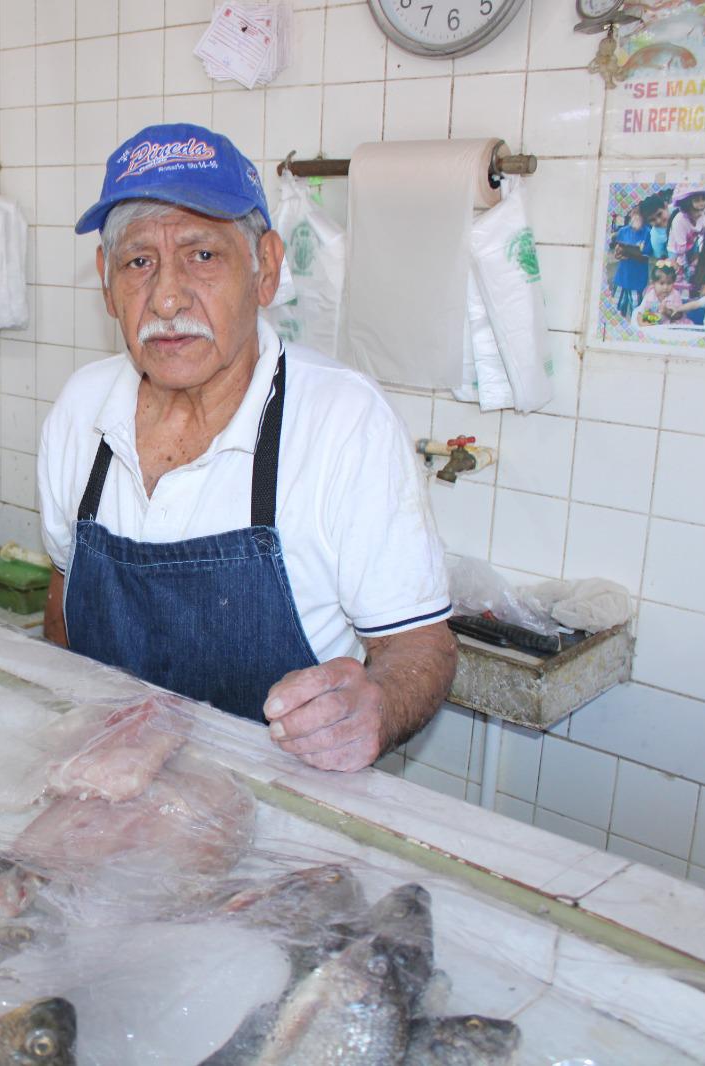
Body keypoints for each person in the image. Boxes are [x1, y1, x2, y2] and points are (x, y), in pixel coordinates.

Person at [37, 123, 457, 774]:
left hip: (284, 819)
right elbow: (65, 597)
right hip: (114, 796)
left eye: (203, 256)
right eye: (138, 261)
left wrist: (378, 702)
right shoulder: (80, 410)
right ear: (106, 280)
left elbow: (420, 647)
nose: (168, 297)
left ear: (266, 269)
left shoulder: (341, 421)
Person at [609, 207, 651, 318]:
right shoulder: (623, 231)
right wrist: (618, 253)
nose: (636, 215)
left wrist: (633, 253)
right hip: (622, 277)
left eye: (639, 213)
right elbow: (616, 250)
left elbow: (646, 255)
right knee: (616, 310)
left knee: (636, 312)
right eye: (634, 212)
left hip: (637, 280)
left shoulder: (648, 233)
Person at [630, 260, 685, 327]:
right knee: (635, 315)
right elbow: (640, 313)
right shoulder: (650, 295)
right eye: (661, 283)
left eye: (669, 283)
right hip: (653, 324)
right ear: (653, 283)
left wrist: (667, 311)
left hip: (671, 326)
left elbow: (679, 315)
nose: (665, 287)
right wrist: (643, 325)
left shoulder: (675, 295)